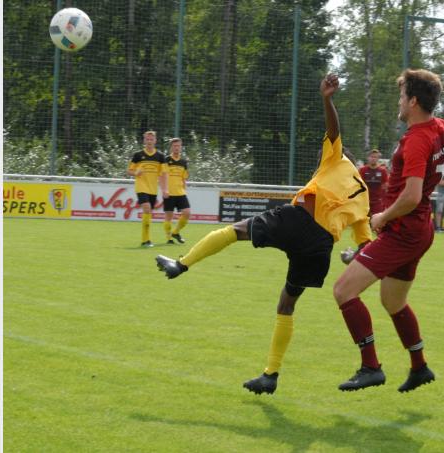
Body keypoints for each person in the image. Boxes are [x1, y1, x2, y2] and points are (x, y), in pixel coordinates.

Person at [154, 73, 372, 394]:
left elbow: (333, 130)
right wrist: (353, 256)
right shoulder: (365, 195)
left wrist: (327, 99)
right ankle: (270, 375)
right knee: (287, 304)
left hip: (298, 220)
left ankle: (181, 264)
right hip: (321, 247)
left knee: (235, 231)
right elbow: (366, 244)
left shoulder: (336, 158)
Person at [331, 68, 444, 393]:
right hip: (419, 229)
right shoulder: (442, 128)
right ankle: (419, 367)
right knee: (393, 303)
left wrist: (382, 217)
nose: (399, 100)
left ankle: (371, 367)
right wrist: (440, 158)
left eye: (401, 94)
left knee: (343, 291)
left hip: (402, 229)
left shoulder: (419, 139)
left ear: (413, 101)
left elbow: (409, 196)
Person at [127, 131, 169, 247]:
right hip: (141, 187)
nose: (149, 141)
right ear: (144, 141)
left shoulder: (160, 156)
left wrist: (165, 189)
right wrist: (136, 172)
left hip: (153, 189)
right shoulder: (138, 155)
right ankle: (145, 240)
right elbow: (129, 171)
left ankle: (146, 239)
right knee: (146, 208)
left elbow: (164, 174)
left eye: (151, 139)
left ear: (155, 141)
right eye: (147, 139)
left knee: (149, 212)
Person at [163, 138, 191, 244]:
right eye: (174, 146)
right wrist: (164, 190)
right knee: (169, 217)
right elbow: (162, 176)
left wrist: (184, 189)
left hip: (180, 193)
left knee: (187, 213)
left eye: (178, 146)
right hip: (169, 192)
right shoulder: (165, 160)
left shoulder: (183, 162)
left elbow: (184, 178)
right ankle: (169, 238)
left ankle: (176, 232)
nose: (176, 148)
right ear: (171, 147)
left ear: (181, 147)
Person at [359, 149, 389, 216]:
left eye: (375, 157)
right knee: (364, 221)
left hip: (378, 202)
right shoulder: (363, 170)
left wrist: (385, 200)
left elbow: (386, 186)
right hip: (365, 201)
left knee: (377, 221)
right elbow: (359, 185)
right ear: (368, 158)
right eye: (372, 157)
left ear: (378, 159)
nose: (373, 159)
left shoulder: (382, 171)